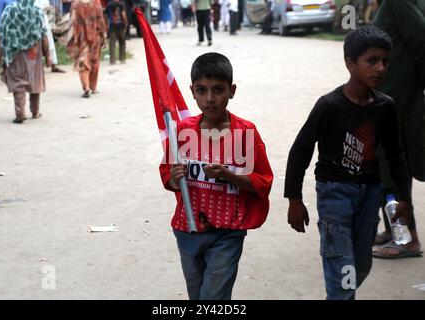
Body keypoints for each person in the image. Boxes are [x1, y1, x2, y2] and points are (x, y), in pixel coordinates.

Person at [284, 26, 412, 300]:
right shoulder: (329, 105)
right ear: (350, 63)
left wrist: (403, 199)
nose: (380, 68)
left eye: (385, 61)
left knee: (360, 265)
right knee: (341, 267)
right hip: (334, 195)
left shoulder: (385, 107)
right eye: (372, 61)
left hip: (370, 195)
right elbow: (300, 150)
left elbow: (395, 155)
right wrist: (294, 198)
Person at [159, 52, 273, 300]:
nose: (209, 99)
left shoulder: (245, 133)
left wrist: (229, 175)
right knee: (197, 294)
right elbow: (167, 174)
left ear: (232, 91)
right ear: (192, 91)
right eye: (201, 90)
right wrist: (174, 178)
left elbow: (262, 181)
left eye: (218, 90)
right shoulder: (181, 131)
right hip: (187, 229)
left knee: (214, 296)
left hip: (227, 232)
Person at [372, 0, 425, 259]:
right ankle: (394, 229)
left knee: (388, 166)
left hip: (397, 99)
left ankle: (406, 237)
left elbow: (421, 36)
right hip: (392, 96)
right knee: (386, 164)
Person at [0, 0, 51, 123]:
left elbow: (2, 32)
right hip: (34, 52)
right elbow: (44, 35)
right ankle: (35, 112)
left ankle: (20, 113)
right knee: (35, 78)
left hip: (15, 52)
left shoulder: (9, 10)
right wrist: (48, 55)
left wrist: (0, 52)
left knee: (18, 80)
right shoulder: (37, 11)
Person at [67, 0, 107, 98]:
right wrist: (104, 36)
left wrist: (71, 40)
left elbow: (72, 21)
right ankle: (93, 87)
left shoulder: (75, 4)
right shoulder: (96, 3)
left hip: (81, 38)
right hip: (95, 37)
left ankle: (87, 88)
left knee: (83, 62)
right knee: (94, 61)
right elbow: (101, 21)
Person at [105, 0, 128, 64]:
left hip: (112, 26)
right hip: (121, 25)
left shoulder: (108, 4)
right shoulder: (121, 4)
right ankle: (122, 59)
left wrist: (106, 25)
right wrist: (126, 23)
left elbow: (106, 16)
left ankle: (112, 60)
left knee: (112, 43)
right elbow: (123, 15)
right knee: (122, 42)